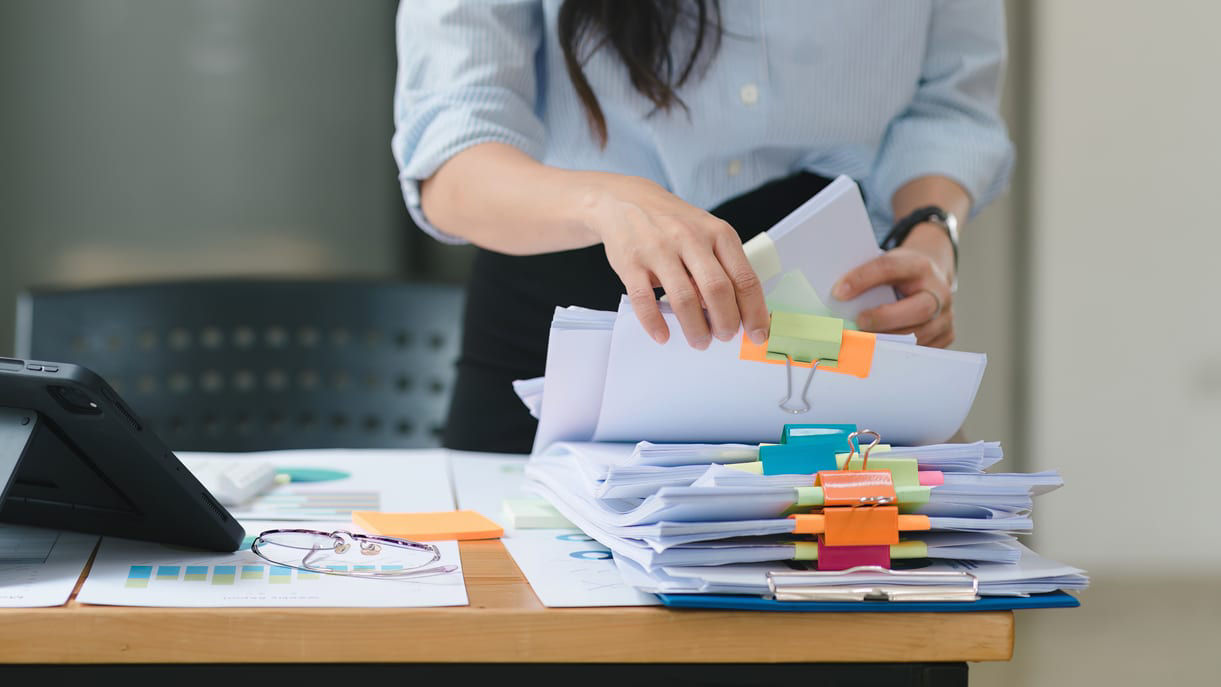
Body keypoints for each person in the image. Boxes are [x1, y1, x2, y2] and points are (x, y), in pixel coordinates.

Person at [392, 1, 1013, 453]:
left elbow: (950, 107)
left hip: (828, 312)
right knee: (525, 615)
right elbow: (450, 160)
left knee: (872, 602)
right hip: (572, 301)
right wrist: (609, 204)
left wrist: (932, 232)